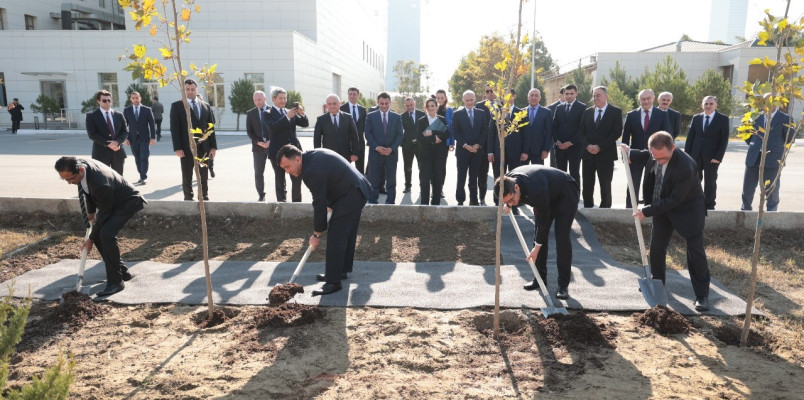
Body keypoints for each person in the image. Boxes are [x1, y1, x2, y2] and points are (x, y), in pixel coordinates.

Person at [623, 131, 711, 311]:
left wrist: (645, 211)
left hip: (687, 211)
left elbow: (675, 200)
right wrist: (628, 152)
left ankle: (702, 295)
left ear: (673, 148)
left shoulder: (685, 166)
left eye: (663, 158)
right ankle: (658, 286)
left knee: (695, 252)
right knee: (656, 247)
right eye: (656, 158)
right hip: (662, 208)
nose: (659, 161)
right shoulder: (656, 153)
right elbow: (644, 155)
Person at [277, 145, 372, 296]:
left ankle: (333, 282)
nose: (287, 171)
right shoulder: (311, 157)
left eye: (287, 167)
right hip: (353, 189)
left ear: (297, 159)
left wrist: (317, 234)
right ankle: (340, 271)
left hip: (352, 193)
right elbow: (327, 183)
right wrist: (330, 204)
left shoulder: (310, 171)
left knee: (336, 235)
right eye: (284, 169)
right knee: (345, 233)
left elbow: (318, 203)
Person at [55, 156, 146, 299]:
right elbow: (86, 189)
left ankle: (116, 282)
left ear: (81, 170)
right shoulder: (80, 168)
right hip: (112, 200)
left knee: (106, 234)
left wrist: (90, 239)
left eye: (70, 179)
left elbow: (105, 213)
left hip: (128, 201)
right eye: (64, 179)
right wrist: (90, 212)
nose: (69, 183)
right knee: (99, 233)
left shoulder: (100, 183)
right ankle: (121, 271)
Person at [495, 165, 579, 300]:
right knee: (538, 237)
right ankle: (539, 279)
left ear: (516, 188)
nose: (511, 203)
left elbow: (544, 221)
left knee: (561, 236)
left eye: (512, 200)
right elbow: (540, 226)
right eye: (507, 201)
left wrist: (536, 248)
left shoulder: (535, 190)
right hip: (547, 191)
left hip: (565, 192)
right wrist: (509, 204)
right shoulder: (507, 181)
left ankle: (563, 285)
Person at [622, 89, 671, 208]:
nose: (646, 101)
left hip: (655, 157)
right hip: (634, 156)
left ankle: (650, 209)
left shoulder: (662, 114)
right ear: (639, 100)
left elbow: (668, 135)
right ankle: (630, 209)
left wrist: (665, 154)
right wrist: (625, 156)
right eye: (643, 99)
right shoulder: (631, 115)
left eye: (648, 98)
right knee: (632, 185)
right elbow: (625, 138)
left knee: (652, 185)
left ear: (653, 98)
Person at [170, 79, 217, 201]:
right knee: (187, 175)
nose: (190, 92)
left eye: (192, 89)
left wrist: (213, 147)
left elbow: (210, 127)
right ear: (183, 91)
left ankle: (204, 197)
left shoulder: (205, 106)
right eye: (187, 89)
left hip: (204, 147)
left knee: (204, 174)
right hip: (186, 148)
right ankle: (188, 198)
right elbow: (175, 129)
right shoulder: (177, 106)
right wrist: (177, 148)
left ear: (197, 90)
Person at [741, 102, 793, 211]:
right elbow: (747, 136)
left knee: (772, 191)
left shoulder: (785, 119)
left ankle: (771, 216)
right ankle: (745, 214)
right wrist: (756, 146)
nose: (767, 104)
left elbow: (789, 138)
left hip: (773, 159)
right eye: (765, 102)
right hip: (754, 158)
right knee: (748, 190)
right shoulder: (754, 117)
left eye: (771, 101)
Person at [578, 86, 622, 208]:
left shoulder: (615, 111)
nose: (595, 98)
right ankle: (588, 208)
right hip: (588, 156)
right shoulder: (587, 112)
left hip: (606, 155)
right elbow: (581, 132)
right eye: (594, 95)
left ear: (606, 96)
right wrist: (588, 146)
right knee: (587, 185)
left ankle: (605, 210)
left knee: (605, 185)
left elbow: (616, 132)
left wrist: (599, 147)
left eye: (598, 95)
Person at [685, 96, 730, 210]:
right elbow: (690, 138)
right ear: (702, 105)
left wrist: (718, 157)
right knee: (694, 180)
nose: (708, 106)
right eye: (706, 104)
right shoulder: (696, 118)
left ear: (716, 105)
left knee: (710, 182)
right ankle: (694, 202)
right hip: (695, 156)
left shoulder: (723, 119)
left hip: (712, 157)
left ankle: (709, 205)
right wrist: (687, 156)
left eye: (711, 103)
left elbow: (724, 140)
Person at [265, 87, 307, 202]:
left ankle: (296, 204)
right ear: (273, 99)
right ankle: (282, 204)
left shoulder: (289, 111)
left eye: (285, 98)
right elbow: (273, 127)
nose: (283, 100)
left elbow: (304, 123)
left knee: (297, 178)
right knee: (280, 180)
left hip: (294, 152)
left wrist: (302, 113)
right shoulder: (267, 113)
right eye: (280, 98)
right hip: (277, 153)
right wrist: (287, 116)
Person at [364, 92, 403, 204]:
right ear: (378, 103)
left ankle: (390, 203)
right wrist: (377, 147)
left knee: (391, 180)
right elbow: (368, 133)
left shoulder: (397, 117)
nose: (384, 106)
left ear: (390, 103)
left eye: (386, 103)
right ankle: (373, 202)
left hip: (391, 154)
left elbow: (400, 134)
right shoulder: (371, 116)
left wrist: (391, 148)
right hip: (375, 153)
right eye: (382, 103)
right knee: (374, 180)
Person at [452, 90, 489, 206]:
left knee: (474, 177)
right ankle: (460, 200)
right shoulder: (457, 114)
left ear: (475, 99)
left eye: (471, 100)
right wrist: (465, 145)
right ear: (463, 100)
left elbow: (485, 131)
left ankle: (474, 200)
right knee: (461, 176)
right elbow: (455, 132)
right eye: (467, 100)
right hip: (463, 151)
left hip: (477, 151)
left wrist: (479, 144)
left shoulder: (481, 113)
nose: (469, 102)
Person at [416, 98, 450, 205]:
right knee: (425, 181)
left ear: (436, 107)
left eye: (433, 106)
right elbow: (420, 137)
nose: (431, 108)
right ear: (425, 108)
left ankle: (436, 204)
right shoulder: (421, 120)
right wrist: (434, 138)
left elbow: (446, 134)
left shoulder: (442, 119)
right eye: (428, 106)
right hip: (425, 155)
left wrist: (432, 133)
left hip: (439, 155)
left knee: (437, 180)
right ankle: (425, 205)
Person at [86, 89, 128, 175]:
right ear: (98, 101)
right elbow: (92, 134)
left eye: (109, 100)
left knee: (119, 179)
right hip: (101, 153)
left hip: (118, 152)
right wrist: (108, 143)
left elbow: (125, 131)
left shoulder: (119, 115)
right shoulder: (91, 116)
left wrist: (117, 142)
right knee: (103, 179)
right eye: (104, 100)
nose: (107, 102)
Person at [552, 84, 585, 188]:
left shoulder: (582, 107)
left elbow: (582, 129)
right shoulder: (559, 107)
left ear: (576, 94)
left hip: (575, 147)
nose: (569, 96)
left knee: (574, 172)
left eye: (571, 93)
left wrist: (570, 142)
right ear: (563, 94)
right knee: (560, 172)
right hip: (560, 146)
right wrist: (557, 141)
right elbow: (554, 126)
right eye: (567, 94)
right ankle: (561, 194)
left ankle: (575, 194)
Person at [122, 91, 156, 185]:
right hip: (132, 138)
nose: (135, 99)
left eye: (136, 98)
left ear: (140, 98)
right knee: (137, 157)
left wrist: (153, 137)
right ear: (131, 99)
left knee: (144, 157)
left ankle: (143, 177)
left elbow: (152, 125)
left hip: (145, 138)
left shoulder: (147, 109)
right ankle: (141, 174)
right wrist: (125, 138)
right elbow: (124, 126)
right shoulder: (127, 110)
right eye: (133, 98)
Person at [314, 94, 360, 163]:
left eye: (334, 103)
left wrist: (355, 153)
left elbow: (355, 137)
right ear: (326, 105)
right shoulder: (321, 120)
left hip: (346, 156)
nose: (332, 106)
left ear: (339, 104)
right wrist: (318, 155)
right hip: (328, 156)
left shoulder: (348, 118)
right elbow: (317, 139)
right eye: (329, 104)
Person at [474, 85, 499, 205]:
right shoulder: (479, 106)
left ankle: (498, 199)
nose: (489, 93)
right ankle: (482, 198)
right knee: (482, 175)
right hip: (482, 147)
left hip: (497, 147)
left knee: (498, 175)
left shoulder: (502, 106)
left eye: (491, 91)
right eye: (487, 91)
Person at [245, 90, 270, 201]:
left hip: (273, 146)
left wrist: (271, 141)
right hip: (258, 147)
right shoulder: (251, 113)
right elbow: (249, 131)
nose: (257, 102)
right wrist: (257, 142)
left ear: (265, 99)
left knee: (279, 172)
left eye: (259, 99)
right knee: (258, 172)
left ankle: (281, 196)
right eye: (255, 100)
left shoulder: (273, 111)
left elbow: (278, 129)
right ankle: (261, 194)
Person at [340, 87, 368, 174]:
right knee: (344, 168)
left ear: (358, 96)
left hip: (360, 144)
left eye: (354, 94)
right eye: (350, 94)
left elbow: (365, 126)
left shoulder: (362, 110)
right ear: (348, 95)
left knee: (360, 170)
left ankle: (360, 187)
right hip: (346, 144)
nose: (352, 96)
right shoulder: (341, 109)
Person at [523, 88, 553, 167]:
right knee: (521, 175)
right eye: (531, 95)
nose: (534, 97)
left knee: (538, 176)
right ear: (528, 97)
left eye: (536, 96)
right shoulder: (521, 112)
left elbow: (548, 132)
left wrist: (546, 149)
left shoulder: (546, 112)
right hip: (523, 151)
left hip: (539, 151)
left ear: (540, 98)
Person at [400, 97, 423, 194]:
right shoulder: (401, 116)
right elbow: (398, 132)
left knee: (421, 167)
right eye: (407, 105)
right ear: (405, 105)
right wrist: (402, 143)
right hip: (407, 146)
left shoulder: (422, 114)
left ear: (415, 103)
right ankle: (407, 186)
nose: (409, 107)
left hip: (420, 146)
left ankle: (423, 186)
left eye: (411, 105)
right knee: (407, 167)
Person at [436, 89, 454, 199]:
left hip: (444, 143)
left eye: (442, 97)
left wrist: (452, 143)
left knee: (442, 167)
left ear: (445, 98)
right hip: (432, 143)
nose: (440, 100)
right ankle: (434, 188)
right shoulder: (432, 108)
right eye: (438, 98)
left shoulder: (450, 111)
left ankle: (440, 188)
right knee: (433, 166)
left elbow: (452, 128)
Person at [546, 87, 565, 167]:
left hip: (569, 141)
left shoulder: (573, 107)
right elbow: (550, 126)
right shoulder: (551, 108)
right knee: (554, 163)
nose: (567, 96)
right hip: (555, 140)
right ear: (560, 95)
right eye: (565, 94)